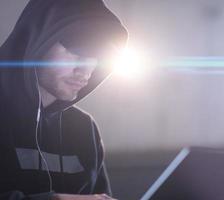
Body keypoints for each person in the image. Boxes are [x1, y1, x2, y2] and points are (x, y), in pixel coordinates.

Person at [0, 0, 128, 199]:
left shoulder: (84, 129)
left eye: (98, 58)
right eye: (78, 52)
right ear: (38, 40)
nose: (86, 71)